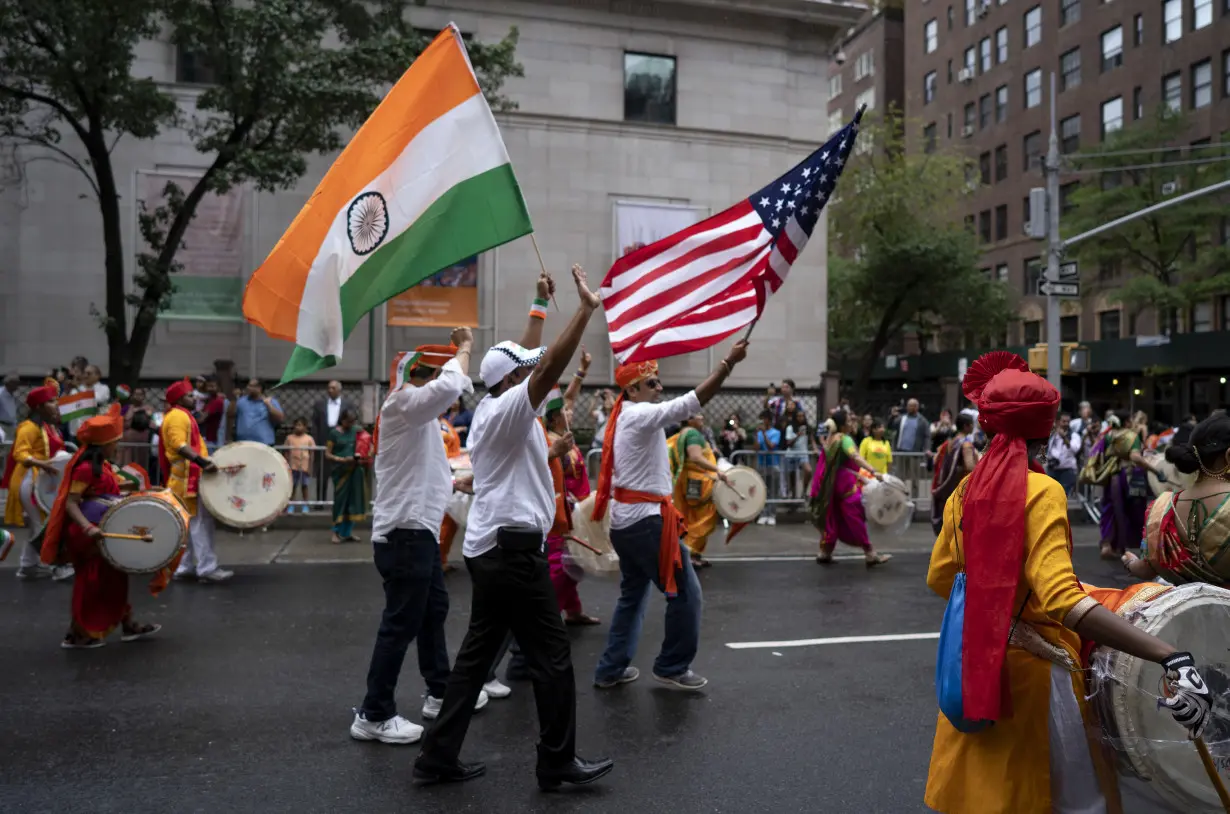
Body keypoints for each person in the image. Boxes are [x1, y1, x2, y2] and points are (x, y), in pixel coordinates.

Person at [925, 351, 1212, 813]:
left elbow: (942, 577)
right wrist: (1168, 654)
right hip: (1034, 684)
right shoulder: (1042, 490)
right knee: (1069, 801)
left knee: (984, 796)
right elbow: (1062, 600)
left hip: (976, 664)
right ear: (1047, 430)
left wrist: (1002, 597)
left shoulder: (966, 489)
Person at [414, 266, 613, 789]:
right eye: (526, 372)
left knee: (476, 659)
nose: (534, 374)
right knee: (552, 656)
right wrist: (585, 310)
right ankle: (556, 762)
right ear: (511, 381)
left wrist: (539, 303)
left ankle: (436, 756)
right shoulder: (507, 408)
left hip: (494, 549)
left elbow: (525, 357)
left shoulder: (501, 407)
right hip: (512, 553)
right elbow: (542, 367)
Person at [351, 333, 492, 747]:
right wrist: (464, 347)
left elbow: (421, 470)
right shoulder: (401, 403)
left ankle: (438, 691)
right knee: (401, 623)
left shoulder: (419, 418)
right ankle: (374, 714)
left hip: (418, 532)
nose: (438, 384)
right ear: (417, 377)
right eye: (430, 374)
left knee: (432, 610)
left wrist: (455, 481)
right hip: (405, 534)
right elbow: (449, 386)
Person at [592, 341, 749, 693]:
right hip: (646, 522)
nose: (659, 388)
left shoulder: (626, 415)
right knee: (686, 594)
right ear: (632, 389)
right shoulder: (636, 414)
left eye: (658, 382)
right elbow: (690, 403)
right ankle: (671, 666)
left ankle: (610, 668)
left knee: (632, 596)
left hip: (629, 522)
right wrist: (727, 364)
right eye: (652, 383)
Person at [37, 405, 164, 649]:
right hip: (90, 534)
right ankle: (78, 634)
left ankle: (127, 624)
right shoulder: (84, 468)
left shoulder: (102, 465)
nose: (117, 446)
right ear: (103, 444)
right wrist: (88, 528)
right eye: (115, 441)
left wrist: (144, 491)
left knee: (113, 579)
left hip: (103, 528)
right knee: (92, 582)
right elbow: (72, 503)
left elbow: (107, 491)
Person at [1124, 413, 1230, 585]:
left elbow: (1145, 570)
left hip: (1186, 609)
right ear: (1228, 456)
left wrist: (1130, 563)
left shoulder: (1162, 507)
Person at [543, 360, 600, 626]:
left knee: (573, 564)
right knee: (561, 566)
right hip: (562, 513)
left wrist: (581, 373)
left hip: (578, 511)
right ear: (555, 417)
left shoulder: (562, 434)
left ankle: (573, 612)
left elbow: (568, 397)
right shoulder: (550, 441)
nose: (571, 410)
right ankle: (548, 616)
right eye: (566, 410)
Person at [162, 378, 232, 582]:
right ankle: (207, 568)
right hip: (187, 480)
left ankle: (183, 567)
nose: (195, 398)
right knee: (200, 524)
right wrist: (203, 462)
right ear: (179, 398)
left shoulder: (181, 415)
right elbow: (179, 445)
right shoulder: (178, 417)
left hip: (185, 478)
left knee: (188, 525)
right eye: (190, 395)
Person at [2, 384, 74, 581]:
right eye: (51, 401)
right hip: (29, 480)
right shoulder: (28, 427)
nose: (56, 404)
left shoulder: (48, 427)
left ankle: (28, 565)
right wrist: (43, 463)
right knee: (45, 524)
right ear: (38, 407)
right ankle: (56, 565)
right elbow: (20, 453)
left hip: (42, 481)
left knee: (39, 525)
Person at [810, 409, 893, 567]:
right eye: (849, 421)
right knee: (854, 516)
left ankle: (825, 552)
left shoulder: (830, 438)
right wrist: (873, 471)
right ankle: (870, 553)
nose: (852, 423)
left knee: (834, 516)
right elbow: (855, 457)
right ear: (842, 425)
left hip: (831, 485)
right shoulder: (844, 439)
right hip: (845, 485)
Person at [1096, 410, 1166, 560]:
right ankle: (1128, 548)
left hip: (1110, 476)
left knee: (1109, 509)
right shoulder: (1131, 436)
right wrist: (1155, 470)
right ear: (1127, 422)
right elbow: (1135, 457)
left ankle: (1107, 544)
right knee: (1130, 511)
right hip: (1125, 477)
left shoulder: (1108, 435)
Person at [667, 413, 726, 570]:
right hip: (699, 482)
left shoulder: (682, 434)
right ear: (689, 419)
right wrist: (717, 470)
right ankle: (690, 553)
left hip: (688, 481)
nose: (702, 417)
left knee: (690, 518)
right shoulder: (693, 434)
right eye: (699, 415)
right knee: (704, 518)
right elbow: (696, 457)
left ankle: (692, 554)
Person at [930, 414, 978, 535]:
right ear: (967, 426)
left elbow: (937, 459)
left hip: (951, 489)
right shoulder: (966, 444)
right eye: (972, 424)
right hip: (963, 488)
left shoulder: (950, 443)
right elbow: (970, 466)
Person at [326, 409, 368, 544]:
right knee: (340, 501)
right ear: (342, 420)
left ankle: (347, 532)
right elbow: (328, 454)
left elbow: (366, 442)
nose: (351, 424)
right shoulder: (334, 433)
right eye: (349, 421)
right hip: (341, 471)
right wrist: (342, 460)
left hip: (355, 469)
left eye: (353, 421)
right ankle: (335, 531)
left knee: (353, 501)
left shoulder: (356, 431)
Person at [312, 380, 355, 503]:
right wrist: (315, 440)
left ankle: (341, 501)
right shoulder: (320, 404)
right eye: (329, 388)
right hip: (324, 439)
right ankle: (320, 500)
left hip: (341, 440)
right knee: (322, 473)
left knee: (341, 472)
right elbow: (315, 424)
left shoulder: (348, 404)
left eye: (333, 388)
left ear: (339, 390)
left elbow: (352, 421)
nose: (330, 390)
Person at [229, 378, 284, 445]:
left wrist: (268, 405)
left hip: (264, 443)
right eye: (248, 385)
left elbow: (280, 418)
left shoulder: (271, 401)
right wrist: (235, 398)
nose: (248, 387)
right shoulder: (241, 401)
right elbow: (230, 414)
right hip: (243, 443)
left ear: (259, 388)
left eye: (251, 386)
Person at [755, 410, 781, 525]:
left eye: (764, 419)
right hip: (762, 464)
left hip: (773, 464)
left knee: (773, 491)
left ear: (769, 420)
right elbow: (756, 448)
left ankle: (771, 514)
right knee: (762, 490)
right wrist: (756, 436)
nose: (762, 422)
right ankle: (763, 514)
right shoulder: (759, 433)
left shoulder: (776, 432)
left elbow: (771, 446)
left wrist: (764, 434)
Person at [285, 418, 315, 514]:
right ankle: (291, 505)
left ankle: (305, 505)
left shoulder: (309, 438)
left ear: (305, 427)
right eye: (296, 425)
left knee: (304, 486)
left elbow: (312, 453)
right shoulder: (289, 438)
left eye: (300, 425)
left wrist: (310, 467)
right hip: (292, 466)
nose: (298, 427)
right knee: (292, 486)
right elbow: (286, 451)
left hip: (304, 466)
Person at [1045, 413, 1081, 496]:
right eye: (1063, 421)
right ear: (1058, 422)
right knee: (1051, 495)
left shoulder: (1074, 435)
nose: (1066, 424)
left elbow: (1074, 449)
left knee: (1063, 495)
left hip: (1067, 470)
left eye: (1068, 422)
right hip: (1052, 469)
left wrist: (1064, 438)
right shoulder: (1052, 435)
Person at [783, 408, 813, 499]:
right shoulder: (790, 428)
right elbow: (789, 443)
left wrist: (815, 448)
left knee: (808, 470)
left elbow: (812, 440)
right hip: (791, 454)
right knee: (792, 477)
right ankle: (794, 496)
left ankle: (804, 492)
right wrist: (798, 435)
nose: (801, 418)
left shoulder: (807, 427)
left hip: (803, 453)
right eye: (798, 416)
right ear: (795, 417)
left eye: (802, 416)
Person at [0, 374, 19, 440]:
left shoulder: (12, 395)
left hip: (11, 426)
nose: (17, 385)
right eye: (15, 383)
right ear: (8, 383)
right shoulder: (1, 394)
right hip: (2, 427)